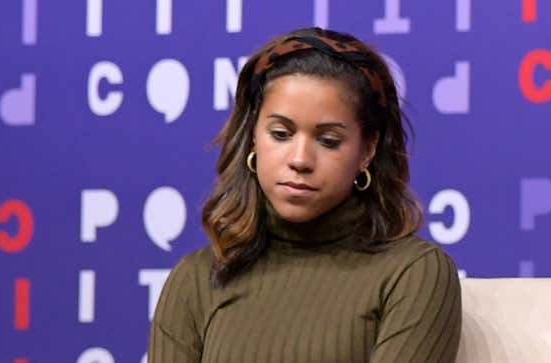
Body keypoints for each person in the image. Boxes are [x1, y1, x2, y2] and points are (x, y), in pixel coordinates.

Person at [148, 27, 462, 362]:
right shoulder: (195, 278)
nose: (299, 160)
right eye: (280, 134)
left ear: (367, 150)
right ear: (253, 135)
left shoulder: (414, 273)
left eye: (328, 141)